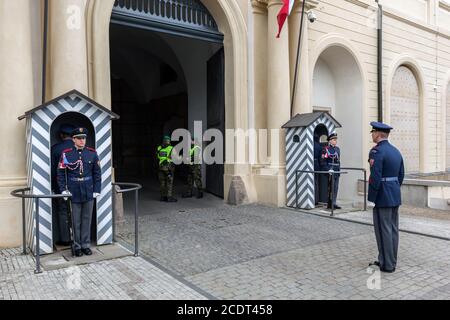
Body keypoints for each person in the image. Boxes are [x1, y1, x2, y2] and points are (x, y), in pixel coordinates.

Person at [57, 128, 101, 257]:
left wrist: (97, 189)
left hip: (88, 190)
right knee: (75, 221)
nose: (82, 141)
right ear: (73, 139)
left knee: (87, 219)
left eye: (84, 138)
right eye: (79, 138)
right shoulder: (66, 154)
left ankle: (85, 245)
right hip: (73, 190)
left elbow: (97, 173)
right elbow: (60, 173)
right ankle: (76, 246)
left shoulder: (92, 153)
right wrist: (63, 189)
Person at [368, 122, 405, 273]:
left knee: (383, 231)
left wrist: (372, 198)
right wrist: (394, 188)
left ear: (378, 134)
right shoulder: (396, 151)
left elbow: (375, 177)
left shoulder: (376, 152)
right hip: (394, 194)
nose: (372, 135)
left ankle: (387, 265)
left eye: (373, 132)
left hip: (382, 195)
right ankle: (389, 260)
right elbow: (401, 175)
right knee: (393, 229)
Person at [51, 124, 75, 246]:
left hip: (61, 186)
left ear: (61, 135)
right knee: (77, 211)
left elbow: (53, 171)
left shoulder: (55, 148)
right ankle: (78, 238)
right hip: (78, 186)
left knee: (62, 211)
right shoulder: (80, 147)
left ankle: (66, 239)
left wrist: (53, 186)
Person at [320, 133, 341, 210]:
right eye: (334, 140)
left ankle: (334, 203)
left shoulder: (337, 149)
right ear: (330, 141)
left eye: (336, 140)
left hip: (336, 171)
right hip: (330, 170)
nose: (335, 141)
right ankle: (330, 203)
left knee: (336, 187)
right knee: (330, 188)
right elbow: (323, 161)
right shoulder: (326, 149)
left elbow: (338, 161)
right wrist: (328, 169)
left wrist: (338, 169)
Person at [157, 136, 177, 202]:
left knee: (162, 183)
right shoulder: (171, 148)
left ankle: (162, 197)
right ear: (169, 141)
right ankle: (169, 197)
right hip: (169, 168)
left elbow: (157, 156)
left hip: (160, 167)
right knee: (169, 182)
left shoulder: (159, 148)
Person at [314, 134, 322, 206]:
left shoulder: (310, 144)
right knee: (316, 182)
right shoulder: (319, 146)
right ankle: (316, 199)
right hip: (317, 164)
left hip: (310, 164)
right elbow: (320, 158)